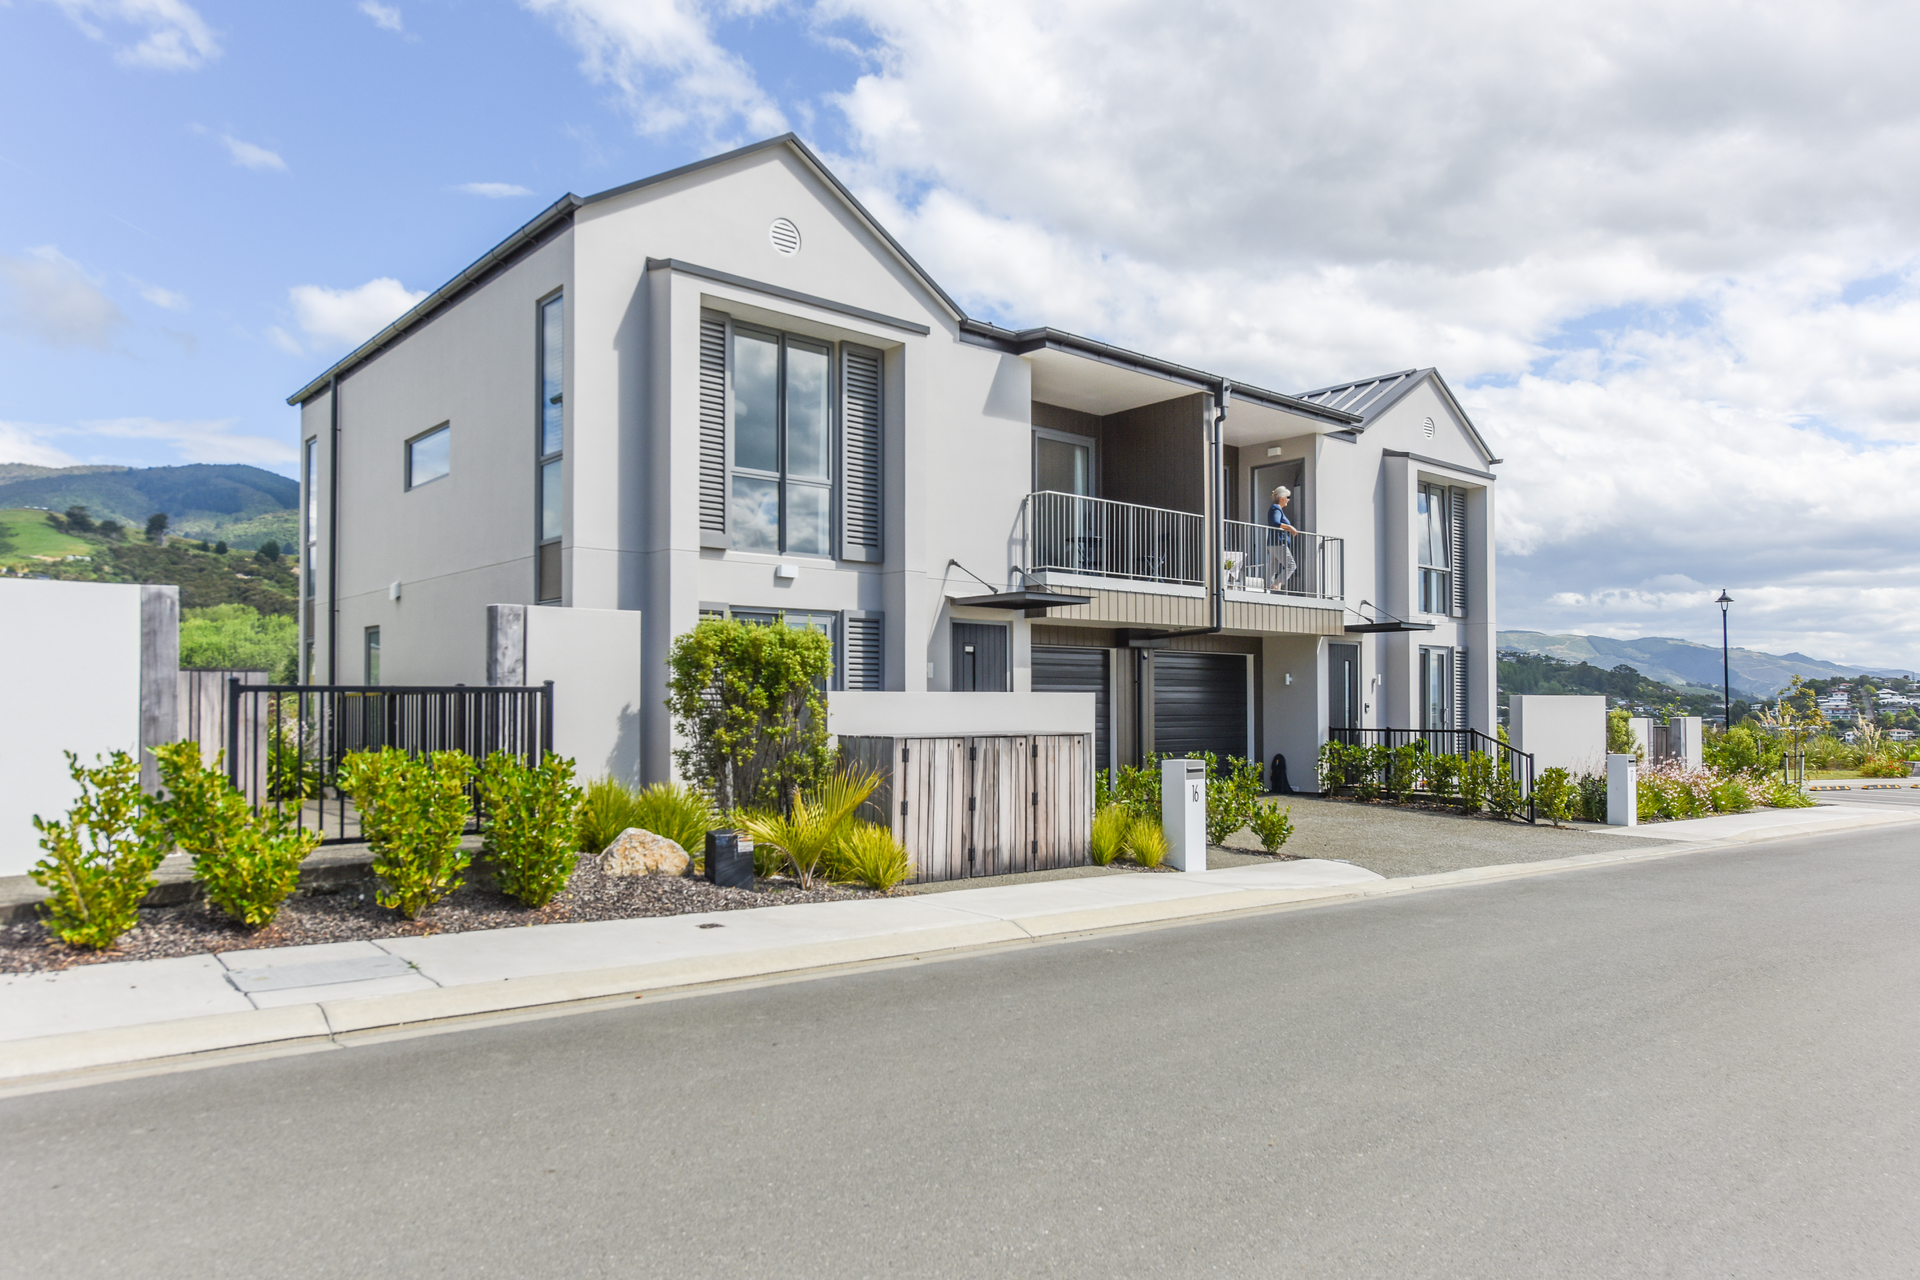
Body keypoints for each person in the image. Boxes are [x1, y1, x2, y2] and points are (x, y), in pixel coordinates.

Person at [1267, 485, 1298, 591]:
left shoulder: (1276, 509)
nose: (1288, 500)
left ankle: (1267, 587)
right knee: (1291, 565)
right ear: (1281, 497)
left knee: (1273, 567)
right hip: (1279, 543)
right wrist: (1289, 527)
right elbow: (1275, 522)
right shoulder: (1276, 508)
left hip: (1273, 543)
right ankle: (1275, 584)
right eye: (1287, 497)